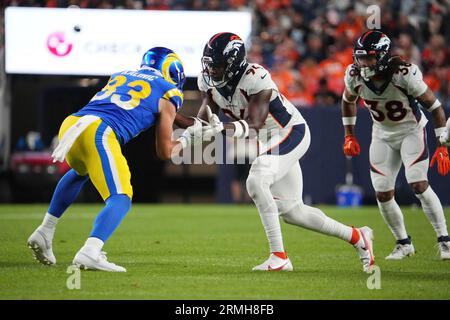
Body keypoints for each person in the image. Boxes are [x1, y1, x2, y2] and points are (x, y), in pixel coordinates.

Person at [177, 32, 375, 273]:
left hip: (290, 131)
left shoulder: (255, 77)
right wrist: (186, 140)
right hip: (269, 140)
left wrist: (223, 128)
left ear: (233, 64)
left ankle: (279, 257)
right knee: (293, 212)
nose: (211, 71)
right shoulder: (208, 82)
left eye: (216, 66)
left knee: (256, 180)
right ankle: (357, 237)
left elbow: (254, 123)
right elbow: (204, 120)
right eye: (208, 64)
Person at [27, 47, 202, 272]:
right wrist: (188, 140)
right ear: (172, 71)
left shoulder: (123, 75)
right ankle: (91, 251)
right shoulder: (170, 91)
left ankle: (45, 230)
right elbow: (164, 151)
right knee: (121, 197)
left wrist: (192, 124)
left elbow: (155, 108)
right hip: (100, 132)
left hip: (73, 123)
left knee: (81, 171)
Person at [341, 30, 450, 260]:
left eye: (369, 57)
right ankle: (404, 243)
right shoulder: (354, 75)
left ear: (382, 56)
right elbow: (347, 100)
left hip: (411, 131)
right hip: (382, 134)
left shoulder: (404, 73)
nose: (363, 63)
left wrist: (443, 145)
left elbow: (436, 107)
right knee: (382, 193)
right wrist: (349, 135)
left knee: (418, 184)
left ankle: (445, 240)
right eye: (360, 57)